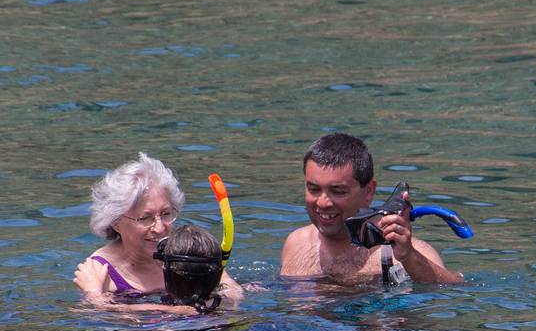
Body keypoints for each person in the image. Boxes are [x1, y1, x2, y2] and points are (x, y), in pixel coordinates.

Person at [280, 133, 462, 285]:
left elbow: (456, 288)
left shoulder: (402, 252)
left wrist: (409, 257)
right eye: (313, 189)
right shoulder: (296, 242)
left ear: (369, 191)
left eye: (338, 191)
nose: (323, 202)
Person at [73, 153, 240, 302]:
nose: (160, 229)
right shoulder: (100, 274)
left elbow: (231, 292)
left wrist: (228, 287)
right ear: (116, 222)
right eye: (145, 218)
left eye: (166, 214)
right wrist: (94, 295)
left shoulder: (182, 250)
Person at [76, 225, 228, 314]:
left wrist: (94, 293)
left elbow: (106, 312)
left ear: (164, 268)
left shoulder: (166, 319)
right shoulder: (223, 305)